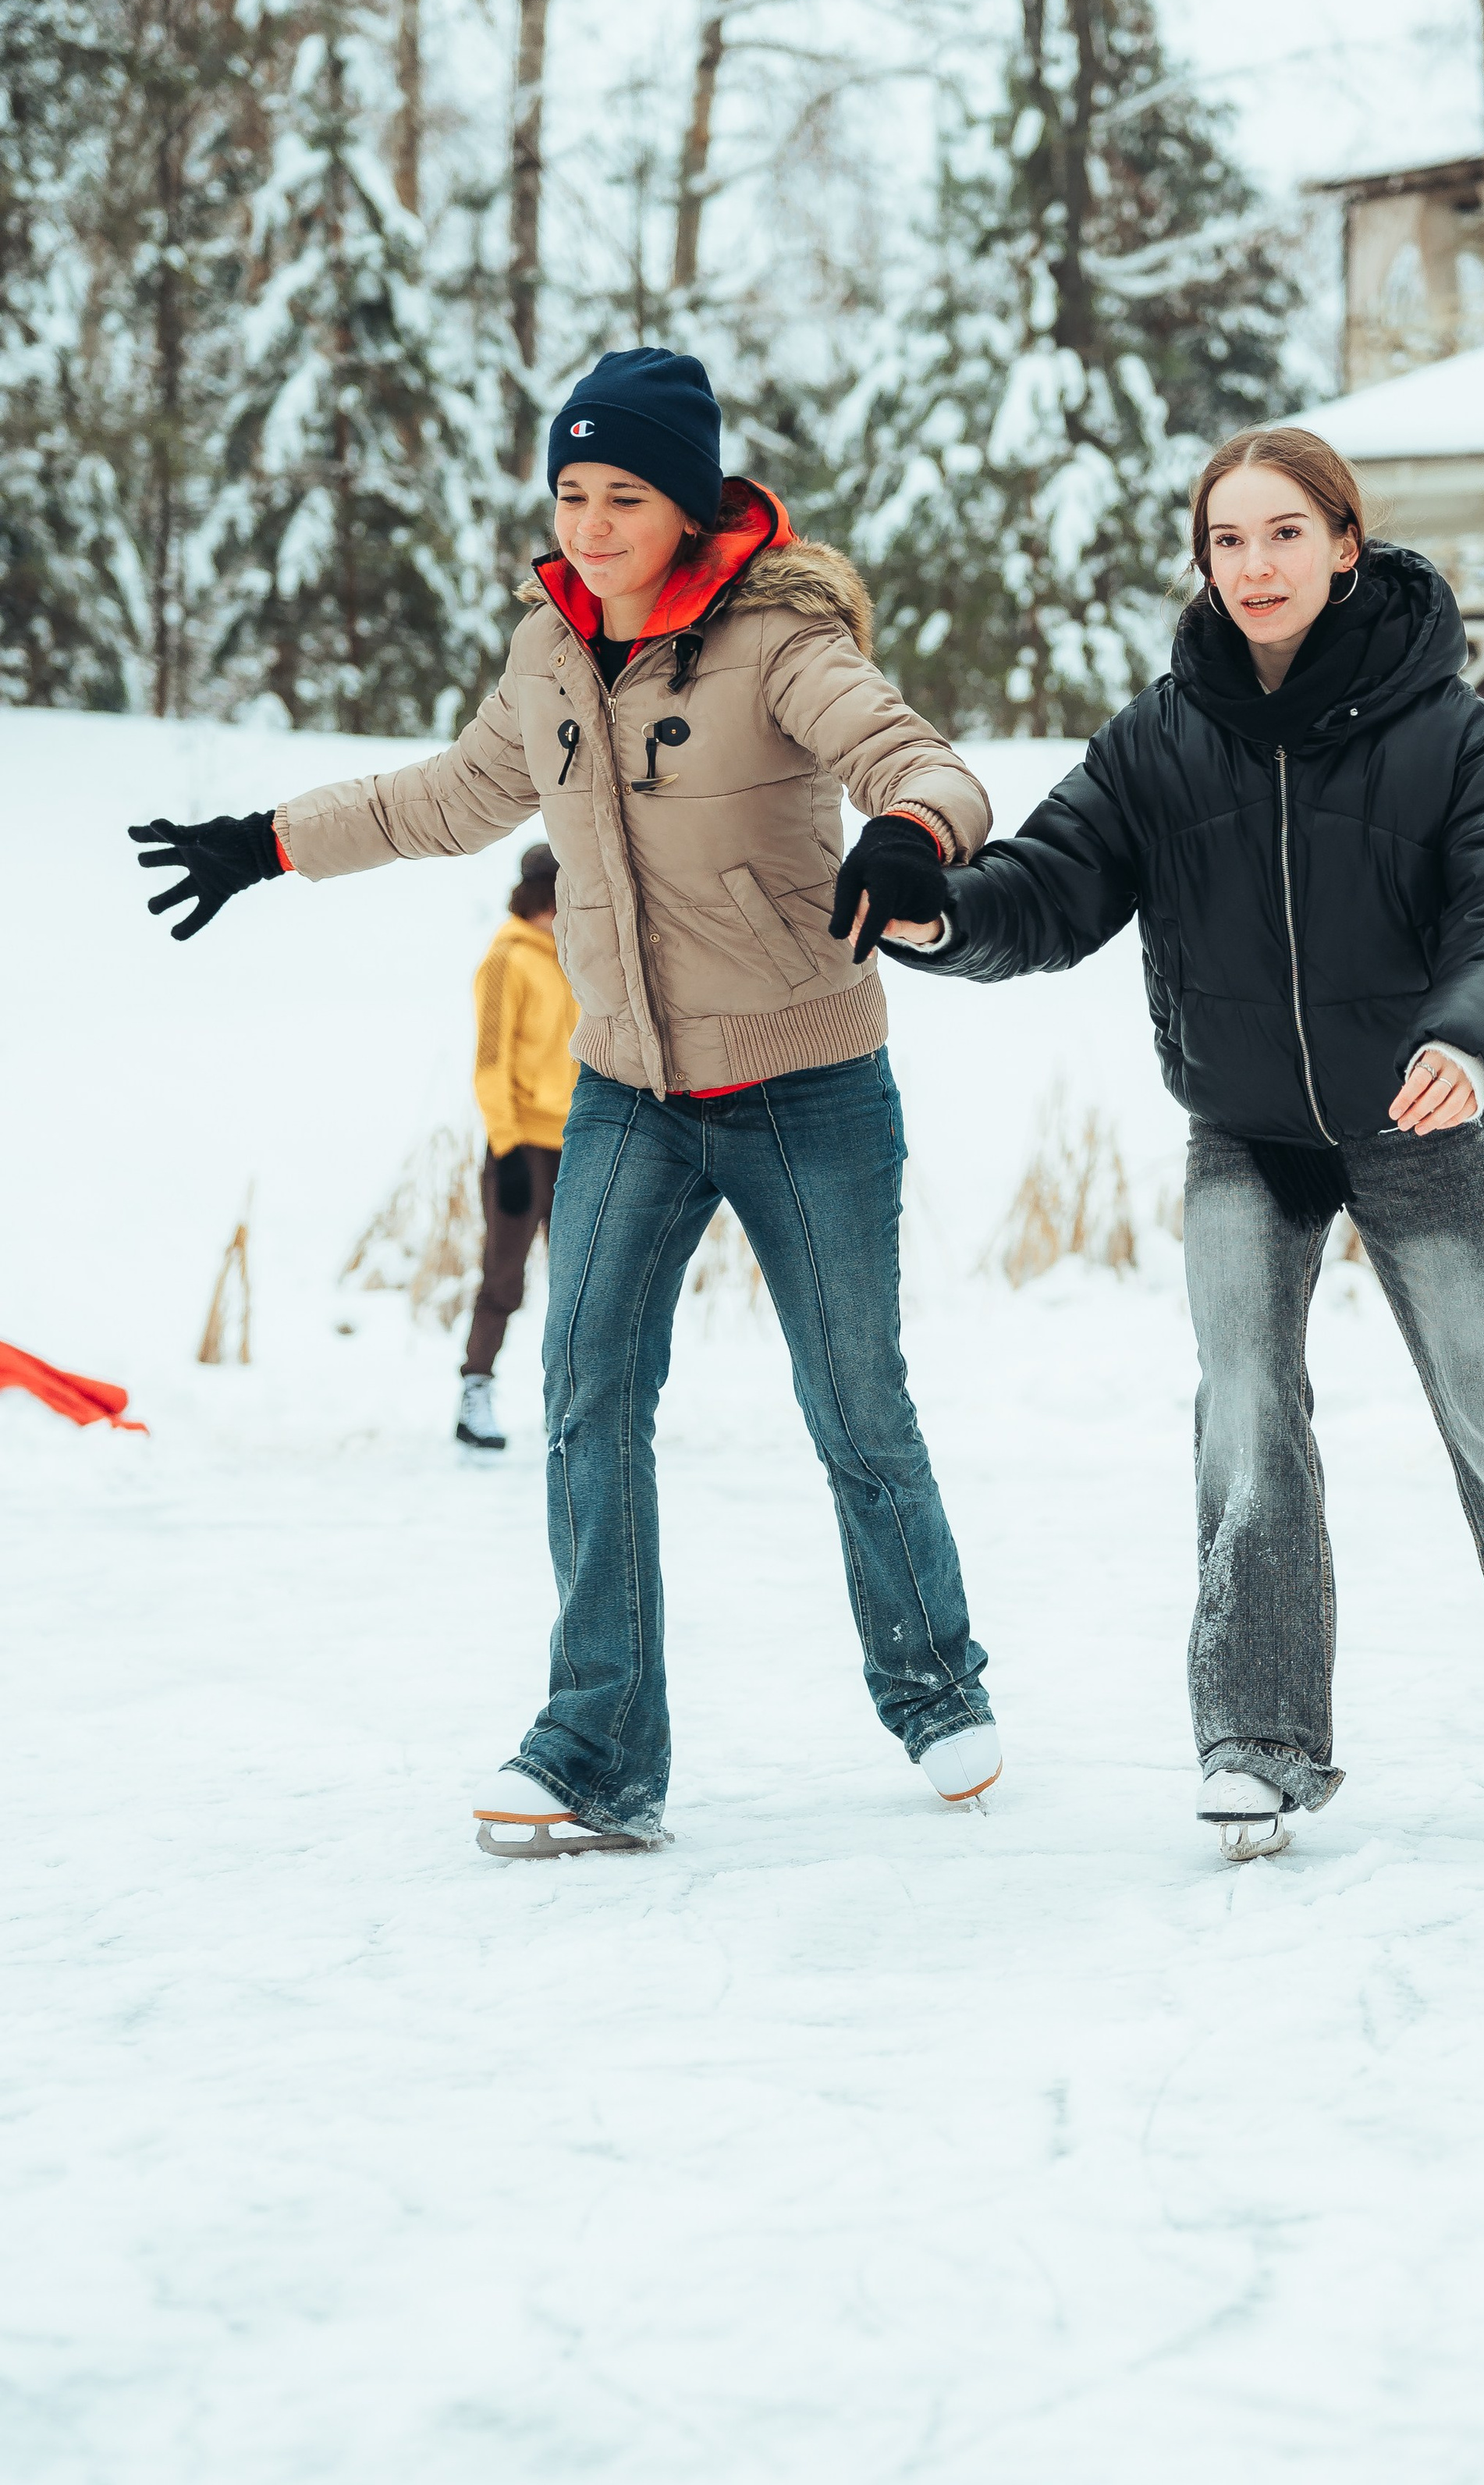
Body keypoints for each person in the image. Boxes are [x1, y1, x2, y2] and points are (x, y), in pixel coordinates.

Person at [130, 345, 1002, 1860]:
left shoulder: (776, 638)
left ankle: (933, 1686)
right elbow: (443, 798)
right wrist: (266, 842)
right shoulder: (547, 653)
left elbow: (910, 755)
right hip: (628, 1091)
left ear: (686, 503)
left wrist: (914, 833)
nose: (589, 522)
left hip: (804, 1081)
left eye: (623, 495)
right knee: (586, 1396)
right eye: (570, 491)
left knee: (854, 1403)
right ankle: (597, 1745)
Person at [873, 425, 1484, 1861]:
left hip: (1424, 1123)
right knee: (1244, 1422)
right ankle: (1259, 1742)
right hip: (1245, 1131)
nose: (1256, 565)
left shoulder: (1447, 730)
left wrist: (1469, 1041)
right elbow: (1048, 886)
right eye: (1228, 540)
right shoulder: (1163, 738)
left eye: (1284, 533)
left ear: (1346, 545)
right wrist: (938, 918)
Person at [456, 841, 577, 1458]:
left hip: (578, 1143)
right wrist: (504, 1146)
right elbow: (490, 1060)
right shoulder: (507, 959)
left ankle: (577, 1404)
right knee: (504, 1279)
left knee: (581, 1284)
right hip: (522, 1145)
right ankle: (475, 1393)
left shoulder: (576, 957)